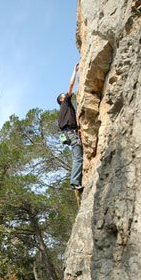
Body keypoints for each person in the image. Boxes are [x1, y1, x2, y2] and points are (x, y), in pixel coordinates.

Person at [57, 62, 83, 190]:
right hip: (72, 134)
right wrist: (75, 71)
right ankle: (74, 181)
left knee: (75, 157)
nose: (66, 95)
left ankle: (75, 179)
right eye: (64, 96)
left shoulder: (61, 112)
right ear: (62, 99)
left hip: (68, 135)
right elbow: (71, 85)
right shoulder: (65, 103)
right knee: (78, 158)